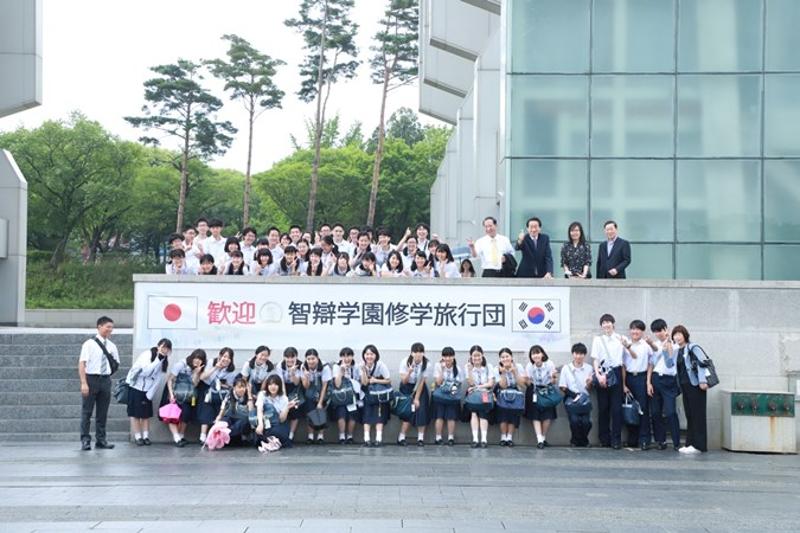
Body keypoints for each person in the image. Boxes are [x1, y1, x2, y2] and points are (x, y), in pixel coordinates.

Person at [78, 316, 120, 450]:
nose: (110, 330)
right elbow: (82, 364)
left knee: (102, 412)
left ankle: (101, 440)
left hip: (105, 380)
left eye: (112, 327)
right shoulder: (88, 344)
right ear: (99, 326)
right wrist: (84, 383)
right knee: (87, 412)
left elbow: (116, 363)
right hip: (91, 379)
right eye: (108, 327)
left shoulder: (112, 346)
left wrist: (107, 376)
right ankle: (85, 440)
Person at [127, 338, 171, 446]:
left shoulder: (163, 360)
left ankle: (146, 436)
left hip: (147, 390)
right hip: (136, 387)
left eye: (167, 348)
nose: (164, 350)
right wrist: (157, 359)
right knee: (135, 414)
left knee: (146, 415)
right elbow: (145, 372)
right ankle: (138, 437)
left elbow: (158, 379)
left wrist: (150, 394)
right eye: (163, 346)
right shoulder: (147, 354)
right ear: (158, 346)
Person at [591, 313, 626, 449]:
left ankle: (616, 440)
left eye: (608, 322)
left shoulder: (621, 338)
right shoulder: (598, 340)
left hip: (616, 372)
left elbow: (627, 357)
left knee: (617, 408)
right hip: (603, 372)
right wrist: (598, 375)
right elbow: (595, 359)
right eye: (603, 323)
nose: (606, 325)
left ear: (613, 324)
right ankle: (604, 439)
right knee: (603, 408)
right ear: (601, 326)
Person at [646, 318, 680, 451]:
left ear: (666, 329)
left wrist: (668, 340)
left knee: (671, 412)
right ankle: (661, 441)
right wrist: (648, 383)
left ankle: (677, 442)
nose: (658, 333)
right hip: (655, 379)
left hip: (669, 380)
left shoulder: (675, 344)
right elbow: (651, 364)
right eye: (656, 331)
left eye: (660, 330)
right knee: (655, 412)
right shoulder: (654, 344)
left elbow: (670, 358)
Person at [673, 325, 709, 454]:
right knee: (690, 415)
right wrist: (667, 350)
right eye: (675, 335)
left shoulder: (693, 347)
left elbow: (702, 363)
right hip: (685, 386)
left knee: (698, 415)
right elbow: (669, 364)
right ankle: (690, 443)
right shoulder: (678, 351)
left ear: (685, 335)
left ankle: (699, 446)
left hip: (696, 385)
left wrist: (702, 381)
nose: (677, 337)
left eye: (679, 334)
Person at [160, 349, 206, 447]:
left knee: (186, 415)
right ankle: (176, 437)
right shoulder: (181, 364)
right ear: (192, 356)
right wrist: (171, 395)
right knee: (172, 415)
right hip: (174, 392)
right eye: (196, 358)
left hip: (187, 395)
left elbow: (194, 384)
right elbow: (169, 379)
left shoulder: (198, 369)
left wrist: (197, 373)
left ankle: (181, 436)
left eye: (200, 359)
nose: (197, 361)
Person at [621, 320, 653, 450]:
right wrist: (623, 384)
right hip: (628, 378)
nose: (635, 331)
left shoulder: (646, 345)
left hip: (642, 377)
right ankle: (632, 439)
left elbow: (651, 363)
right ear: (630, 330)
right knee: (629, 408)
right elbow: (622, 366)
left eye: (638, 329)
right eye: (633, 329)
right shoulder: (624, 345)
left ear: (642, 331)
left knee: (643, 409)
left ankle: (644, 439)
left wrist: (648, 382)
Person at [197, 347, 237, 444]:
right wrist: (216, 367)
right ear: (220, 356)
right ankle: (202, 436)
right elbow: (202, 377)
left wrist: (223, 384)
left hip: (220, 393)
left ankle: (216, 437)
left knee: (221, 408)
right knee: (206, 407)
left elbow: (230, 386)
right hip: (206, 388)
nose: (226, 359)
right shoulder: (211, 362)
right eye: (224, 356)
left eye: (228, 358)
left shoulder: (231, 371)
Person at [559, 343, 594, 447]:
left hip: (585, 399)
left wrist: (589, 383)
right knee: (574, 421)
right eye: (576, 353)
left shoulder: (589, 368)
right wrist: (574, 396)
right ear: (573, 354)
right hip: (571, 398)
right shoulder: (566, 368)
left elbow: (590, 388)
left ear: (585, 355)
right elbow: (562, 386)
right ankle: (575, 440)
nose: (578, 356)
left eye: (581, 354)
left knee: (586, 422)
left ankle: (583, 440)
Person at [397, 343, 432, 447]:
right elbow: (403, 381)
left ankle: (420, 438)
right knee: (407, 412)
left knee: (422, 411)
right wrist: (409, 372)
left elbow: (422, 382)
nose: (418, 354)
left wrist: (417, 399)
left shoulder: (427, 364)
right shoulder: (405, 362)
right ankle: (401, 437)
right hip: (407, 387)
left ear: (424, 353)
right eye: (416, 352)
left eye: (421, 352)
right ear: (411, 353)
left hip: (420, 389)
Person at [525, 345, 558, 449]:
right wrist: (526, 380)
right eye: (533, 354)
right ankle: (539, 439)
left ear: (542, 354)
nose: (536, 356)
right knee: (535, 415)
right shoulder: (529, 366)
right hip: (534, 391)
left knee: (547, 415)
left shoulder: (549, 364)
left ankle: (543, 438)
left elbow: (553, 381)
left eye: (537, 353)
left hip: (547, 390)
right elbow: (528, 382)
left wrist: (553, 378)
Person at [359, 344, 391, 447]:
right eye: (367, 354)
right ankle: (367, 439)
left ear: (376, 355)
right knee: (367, 415)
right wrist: (364, 371)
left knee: (379, 415)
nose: (369, 356)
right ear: (364, 355)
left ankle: (378, 439)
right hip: (367, 393)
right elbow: (364, 383)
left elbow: (388, 379)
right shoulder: (361, 365)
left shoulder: (381, 365)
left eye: (371, 354)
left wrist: (375, 380)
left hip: (379, 394)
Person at [255, 374, 297, 451]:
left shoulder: (284, 398)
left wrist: (287, 408)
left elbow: (281, 419)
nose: (273, 387)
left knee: (282, 436)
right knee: (268, 407)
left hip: (277, 424)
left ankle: (270, 440)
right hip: (264, 423)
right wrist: (260, 424)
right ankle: (271, 440)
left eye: (275, 384)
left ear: (279, 386)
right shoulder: (262, 394)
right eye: (270, 384)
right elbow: (259, 410)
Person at [465, 345, 496, 448]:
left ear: (482, 355)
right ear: (471, 356)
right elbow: (470, 382)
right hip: (473, 394)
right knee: (473, 414)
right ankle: (475, 439)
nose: (476, 358)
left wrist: (478, 387)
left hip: (485, 393)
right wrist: (469, 371)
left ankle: (484, 439)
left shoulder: (488, 366)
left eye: (478, 355)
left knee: (483, 414)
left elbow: (490, 383)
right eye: (474, 356)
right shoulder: (468, 367)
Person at [495, 347, 526, 447]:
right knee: (503, 416)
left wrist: (515, 372)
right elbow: (502, 385)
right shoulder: (497, 369)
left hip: (515, 393)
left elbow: (522, 384)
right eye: (502, 357)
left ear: (511, 357)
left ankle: (510, 437)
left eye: (507, 356)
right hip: (503, 393)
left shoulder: (519, 366)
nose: (505, 359)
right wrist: (503, 372)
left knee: (513, 416)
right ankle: (503, 437)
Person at [331, 347, 362, 444]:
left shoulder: (356, 367)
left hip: (353, 395)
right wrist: (341, 371)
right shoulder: (336, 366)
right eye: (343, 356)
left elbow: (361, 382)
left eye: (348, 356)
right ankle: (341, 436)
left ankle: (350, 436)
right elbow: (337, 384)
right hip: (340, 395)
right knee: (341, 414)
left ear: (352, 356)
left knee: (352, 416)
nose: (346, 358)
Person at [432, 347, 462, 445]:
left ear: (453, 357)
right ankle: (438, 437)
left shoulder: (457, 368)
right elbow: (438, 382)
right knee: (439, 416)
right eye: (445, 356)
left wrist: (451, 388)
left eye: (450, 356)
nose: (447, 358)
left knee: (451, 416)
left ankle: (450, 437)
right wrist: (442, 369)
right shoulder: (438, 365)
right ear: (442, 357)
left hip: (452, 394)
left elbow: (458, 383)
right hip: (440, 394)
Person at [301, 349, 332, 444]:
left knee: (321, 413)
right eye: (308, 359)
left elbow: (324, 386)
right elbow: (305, 386)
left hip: (322, 393)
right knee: (310, 413)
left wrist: (320, 402)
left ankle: (320, 436)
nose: (311, 361)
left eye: (313, 358)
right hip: (310, 393)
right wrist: (306, 376)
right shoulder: (304, 367)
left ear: (317, 358)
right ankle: (310, 437)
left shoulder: (325, 367)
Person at [213, 377, 252, 446]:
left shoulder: (248, 396)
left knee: (244, 421)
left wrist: (249, 395)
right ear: (234, 388)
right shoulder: (229, 395)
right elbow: (223, 408)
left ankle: (225, 434)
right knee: (225, 420)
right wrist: (218, 419)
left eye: (243, 387)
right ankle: (224, 435)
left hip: (241, 420)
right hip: (231, 417)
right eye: (239, 387)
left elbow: (251, 411)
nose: (242, 389)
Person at [280, 347, 305, 443]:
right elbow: (281, 381)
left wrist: (292, 373)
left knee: (295, 410)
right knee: (283, 408)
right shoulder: (280, 366)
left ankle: (291, 435)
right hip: (283, 388)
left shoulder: (301, 366)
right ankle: (283, 434)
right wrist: (284, 397)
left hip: (295, 389)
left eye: (292, 357)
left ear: (296, 357)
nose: (290, 360)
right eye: (287, 357)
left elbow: (296, 383)